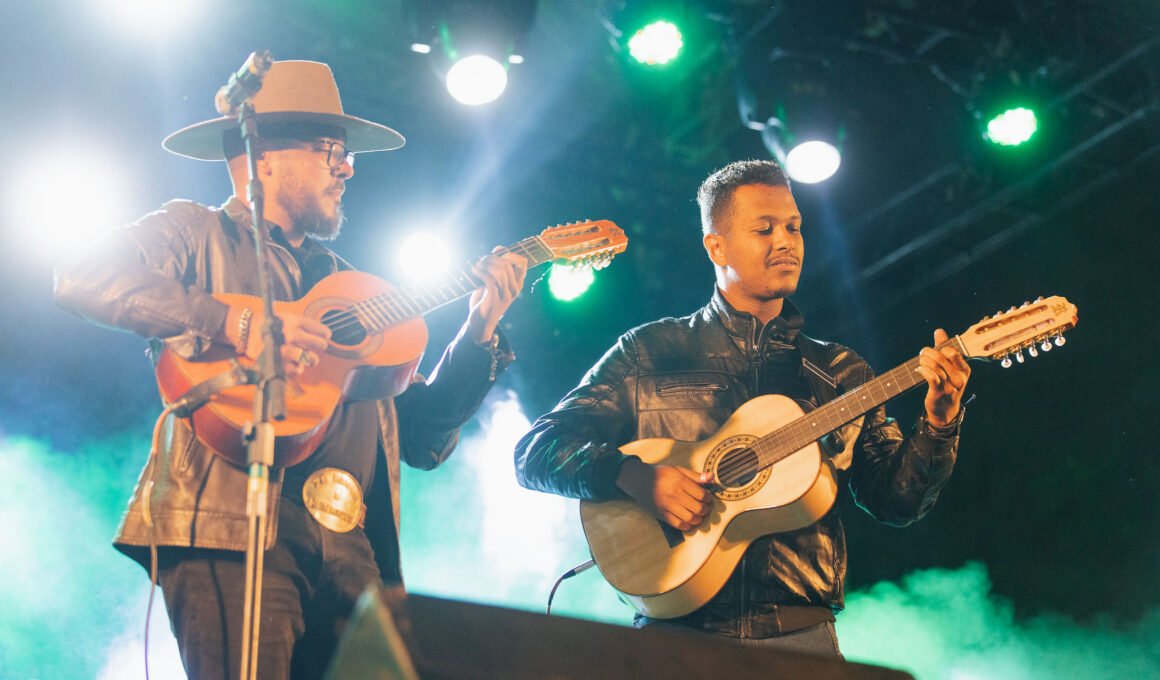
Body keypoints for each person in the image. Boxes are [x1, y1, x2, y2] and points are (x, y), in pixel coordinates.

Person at [54, 60, 527, 679]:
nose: (347, 168)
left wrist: (479, 330)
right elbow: (82, 274)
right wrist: (238, 323)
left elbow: (419, 437)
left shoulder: (349, 286)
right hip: (234, 530)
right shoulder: (197, 232)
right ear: (265, 157)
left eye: (346, 155)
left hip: (354, 552)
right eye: (331, 150)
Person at [514, 159, 969, 657]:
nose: (786, 242)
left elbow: (898, 502)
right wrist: (632, 475)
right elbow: (535, 451)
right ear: (716, 246)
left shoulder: (840, 370)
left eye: (794, 227)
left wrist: (939, 424)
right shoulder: (648, 352)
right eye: (764, 229)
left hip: (802, 641)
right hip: (673, 640)